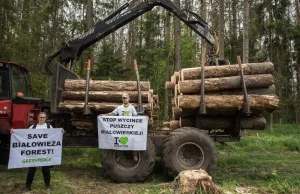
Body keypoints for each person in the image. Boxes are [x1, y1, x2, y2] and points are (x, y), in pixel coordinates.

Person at [11, 112, 63, 193]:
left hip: (45, 153)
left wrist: (61, 131)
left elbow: (55, 136)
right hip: (34, 153)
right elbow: (24, 136)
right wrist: (14, 132)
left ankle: (47, 184)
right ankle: (28, 186)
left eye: (43, 117)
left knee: (46, 170)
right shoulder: (33, 127)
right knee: (31, 170)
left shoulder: (49, 127)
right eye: (40, 117)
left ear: (46, 118)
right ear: (38, 118)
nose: (42, 119)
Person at [105, 93, 139, 161]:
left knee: (133, 140)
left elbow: (136, 116)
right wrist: (104, 115)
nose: (125, 99)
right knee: (119, 141)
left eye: (126, 98)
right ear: (122, 99)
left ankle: (134, 154)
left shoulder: (131, 107)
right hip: (121, 128)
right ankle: (119, 155)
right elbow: (113, 113)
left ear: (129, 99)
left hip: (130, 129)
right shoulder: (119, 108)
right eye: (123, 98)